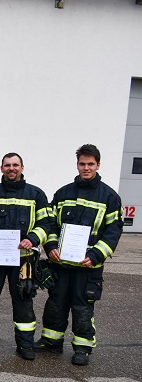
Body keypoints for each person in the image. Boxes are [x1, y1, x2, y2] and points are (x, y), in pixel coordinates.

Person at [34, 144, 123, 366]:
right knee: (56, 303)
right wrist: (50, 247)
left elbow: (113, 232)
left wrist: (96, 255)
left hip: (88, 266)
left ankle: (82, 347)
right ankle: (51, 341)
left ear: (98, 165)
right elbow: (51, 224)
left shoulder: (110, 197)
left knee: (82, 307)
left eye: (90, 164)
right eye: (82, 164)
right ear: (77, 165)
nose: (86, 168)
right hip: (61, 263)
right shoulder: (63, 193)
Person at [0, 152, 55, 360]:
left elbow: (46, 224)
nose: (11, 169)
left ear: (22, 168)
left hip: (24, 258)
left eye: (15, 165)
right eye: (7, 165)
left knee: (23, 299)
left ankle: (25, 344)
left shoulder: (36, 195)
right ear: (1, 168)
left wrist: (32, 239)